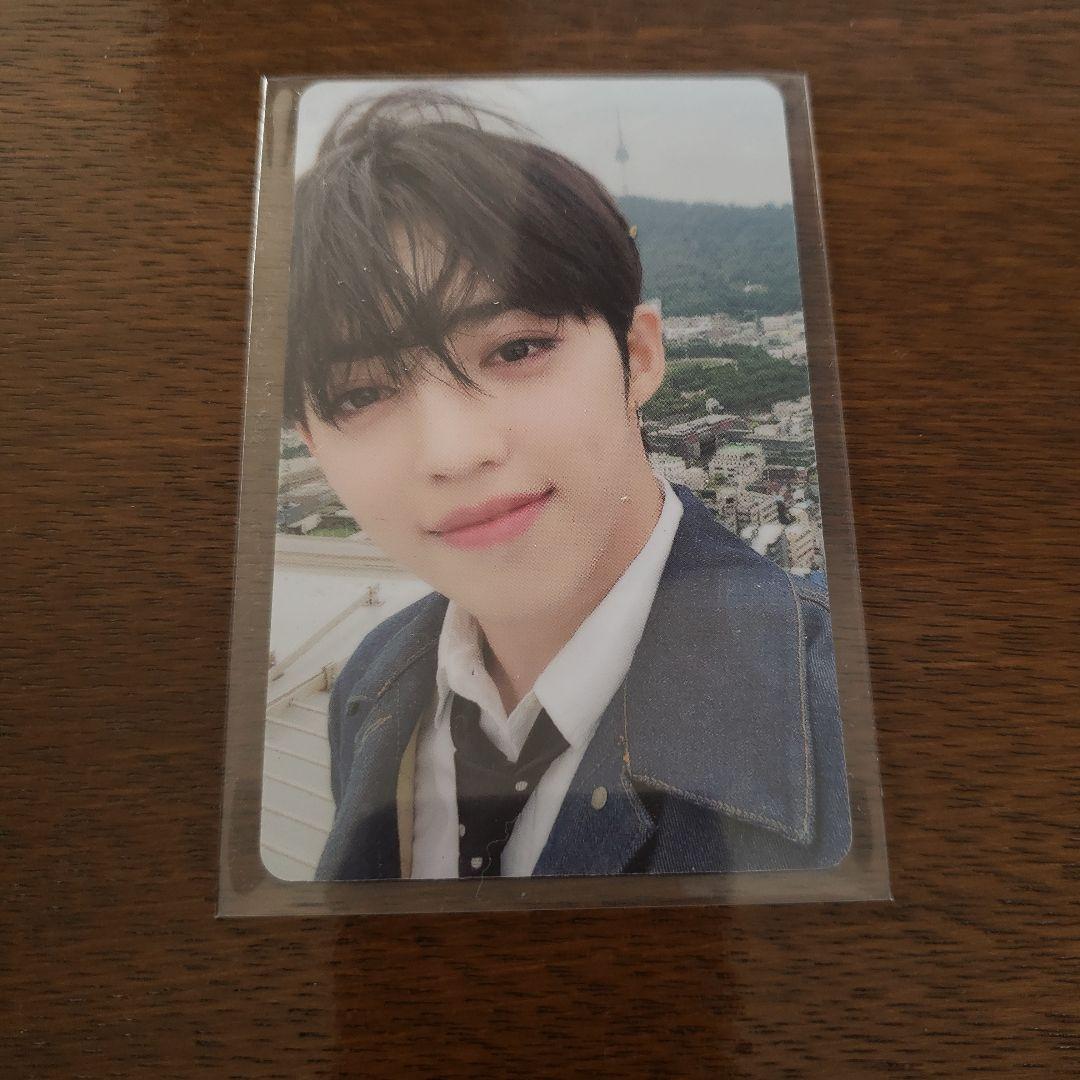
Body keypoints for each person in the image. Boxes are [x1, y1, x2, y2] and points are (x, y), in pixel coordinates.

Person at [282, 88, 851, 881]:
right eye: (361, 394)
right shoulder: (374, 685)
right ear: (312, 442)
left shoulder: (850, 713)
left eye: (516, 349)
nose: (454, 452)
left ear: (638, 356)